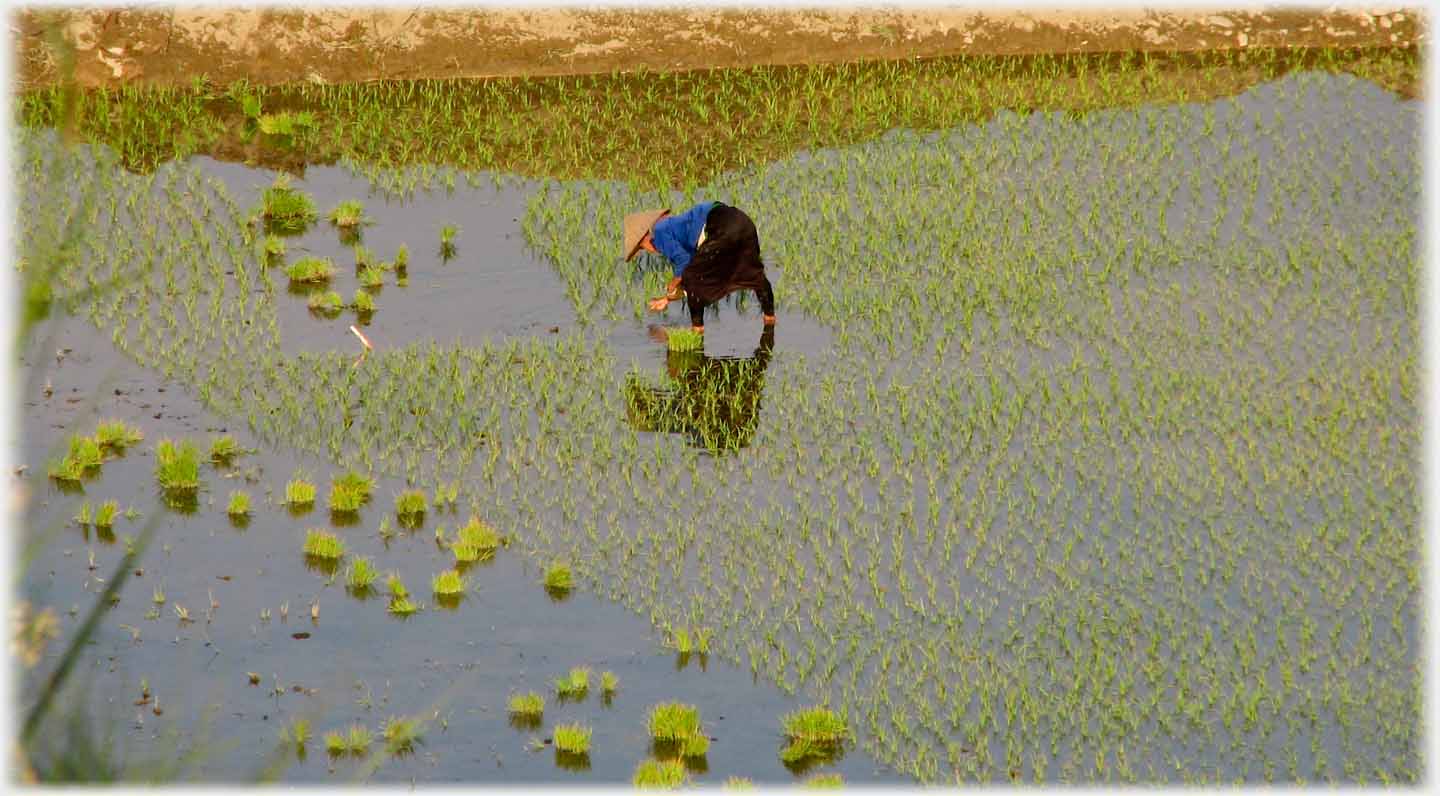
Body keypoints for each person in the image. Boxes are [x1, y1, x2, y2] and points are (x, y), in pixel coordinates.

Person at [622, 202, 776, 333]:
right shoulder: (676, 226)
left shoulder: (660, 232)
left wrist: (673, 284)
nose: (646, 250)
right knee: (753, 273)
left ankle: (697, 331)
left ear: (644, 238)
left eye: (641, 247)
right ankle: (770, 321)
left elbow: (683, 263)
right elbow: (694, 264)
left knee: (692, 280)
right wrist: (668, 299)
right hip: (743, 222)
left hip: (721, 227)